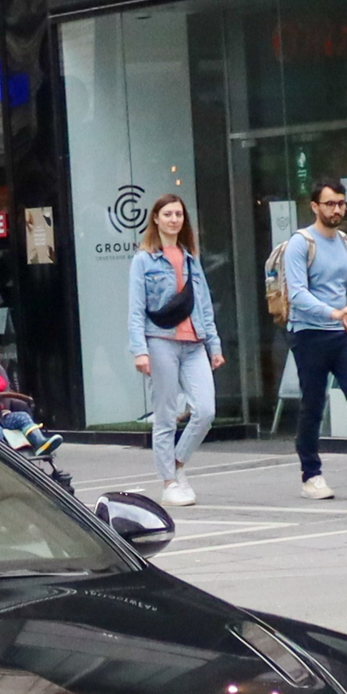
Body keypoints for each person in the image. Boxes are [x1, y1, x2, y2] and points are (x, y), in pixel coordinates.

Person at [282, 178, 347, 499]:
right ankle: (311, 474)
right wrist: (333, 312)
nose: (337, 209)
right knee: (313, 403)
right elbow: (297, 293)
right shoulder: (300, 243)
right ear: (315, 207)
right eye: (330, 204)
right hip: (309, 334)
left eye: (341, 203)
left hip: (342, 335)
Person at [126, 193, 225, 506]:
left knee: (206, 410)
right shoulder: (144, 260)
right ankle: (169, 482)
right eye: (167, 214)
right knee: (166, 415)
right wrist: (139, 350)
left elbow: (204, 305)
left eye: (178, 214)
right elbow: (135, 308)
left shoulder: (191, 258)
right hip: (161, 341)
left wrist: (214, 344)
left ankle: (178, 464)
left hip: (194, 343)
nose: (173, 219)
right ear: (156, 218)